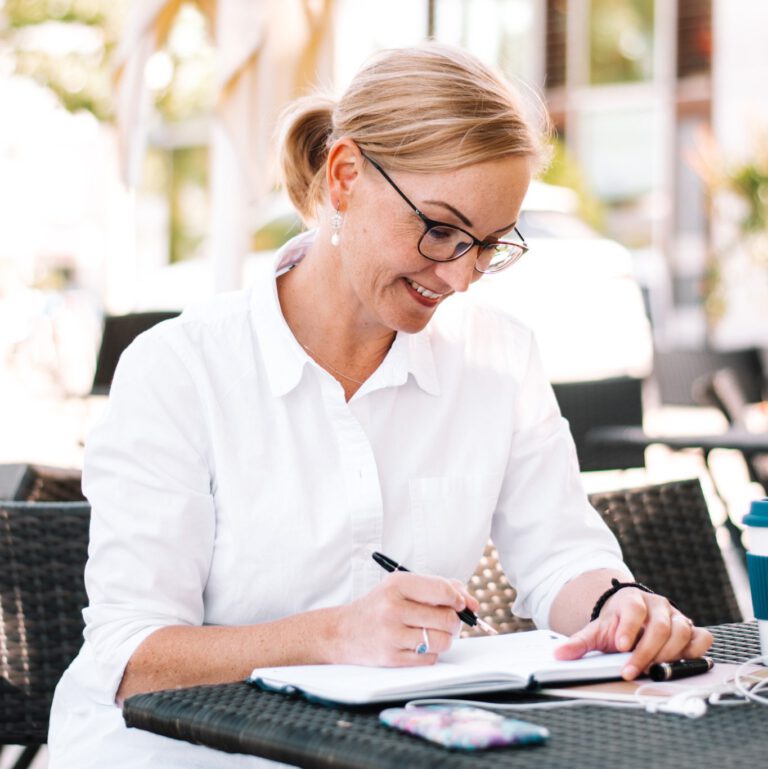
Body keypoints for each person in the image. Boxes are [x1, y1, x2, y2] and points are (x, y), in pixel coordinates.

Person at [48, 43, 712, 768]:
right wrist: (334, 633)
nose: (460, 275)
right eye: (439, 229)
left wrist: (616, 604)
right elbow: (131, 658)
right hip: (176, 751)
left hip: (382, 749)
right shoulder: (179, 370)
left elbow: (561, 553)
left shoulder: (496, 356)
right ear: (345, 176)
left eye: (488, 246)